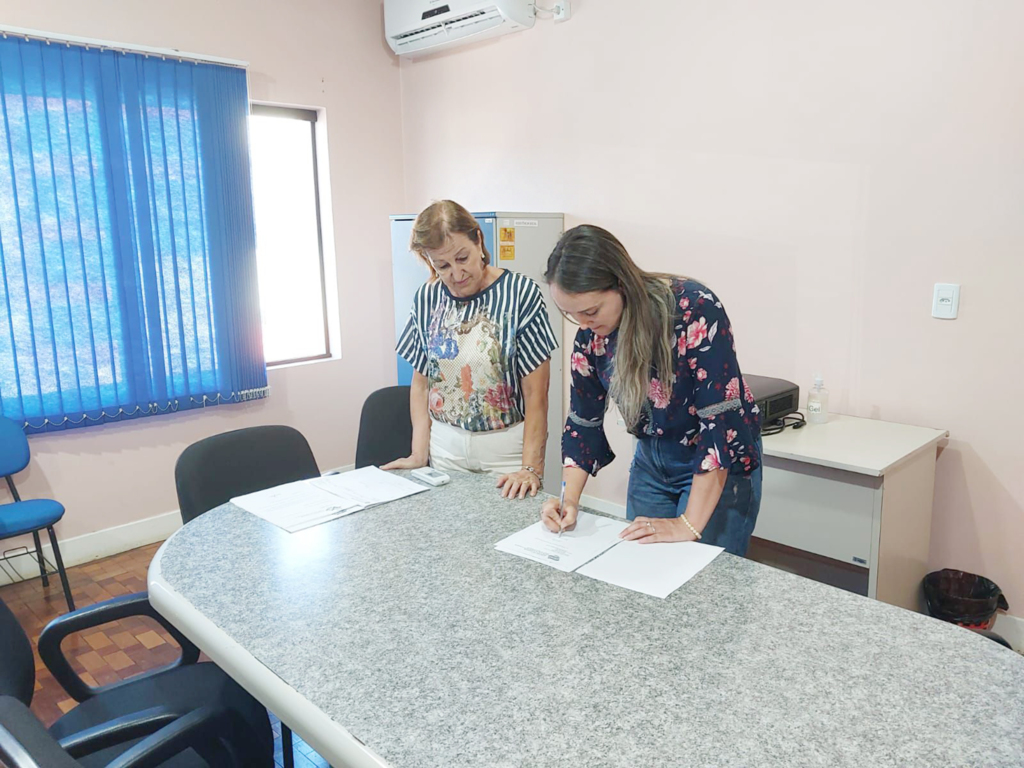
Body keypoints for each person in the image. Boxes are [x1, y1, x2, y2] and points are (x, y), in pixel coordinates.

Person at [539, 225, 762, 555]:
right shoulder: (591, 335)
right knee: (643, 571)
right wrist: (568, 500)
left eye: (590, 311)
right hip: (652, 462)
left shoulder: (693, 309)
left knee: (704, 584)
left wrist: (687, 524)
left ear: (621, 284)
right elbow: (582, 422)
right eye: (571, 315)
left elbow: (720, 425)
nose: (583, 325)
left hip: (713, 461)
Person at [385, 200, 558, 499]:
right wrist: (418, 453)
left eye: (462, 257)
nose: (456, 273)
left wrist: (531, 468)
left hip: (504, 450)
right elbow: (422, 384)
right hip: (444, 447)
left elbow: (536, 394)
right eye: (442, 266)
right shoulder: (427, 298)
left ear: (478, 240)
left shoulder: (521, 294)